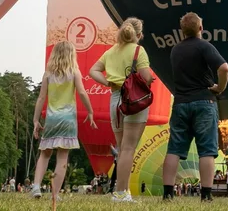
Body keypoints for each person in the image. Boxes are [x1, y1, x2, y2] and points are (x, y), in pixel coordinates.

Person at [160, 12, 228, 202]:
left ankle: (167, 194)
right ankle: (206, 195)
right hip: (204, 102)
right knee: (206, 150)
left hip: (181, 102)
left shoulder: (175, 50)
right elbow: (224, 68)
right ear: (200, 28)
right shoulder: (204, 46)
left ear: (182, 31)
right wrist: (219, 88)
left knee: (174, 149)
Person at [89, 17, 155, 202]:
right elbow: (146, 77)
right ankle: (120, 192)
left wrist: (108, 82)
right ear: (139, 35)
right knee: (128, 148)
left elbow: (93, 70)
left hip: (115, 99)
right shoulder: (138, 51)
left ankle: (122, 191)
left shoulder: (110, 52)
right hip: (133, 101)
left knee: (121, 148)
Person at [31, 41, 97, 202]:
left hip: (52, 118)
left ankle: (36, 186)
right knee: (62, 157)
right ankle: (55, 193)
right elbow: (81, 92)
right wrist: (90, 111)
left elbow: (41, 98)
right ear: (71, 55)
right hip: (68, 119)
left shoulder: (48, 74)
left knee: (45, 154)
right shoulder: (74, 72)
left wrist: (35, 120)